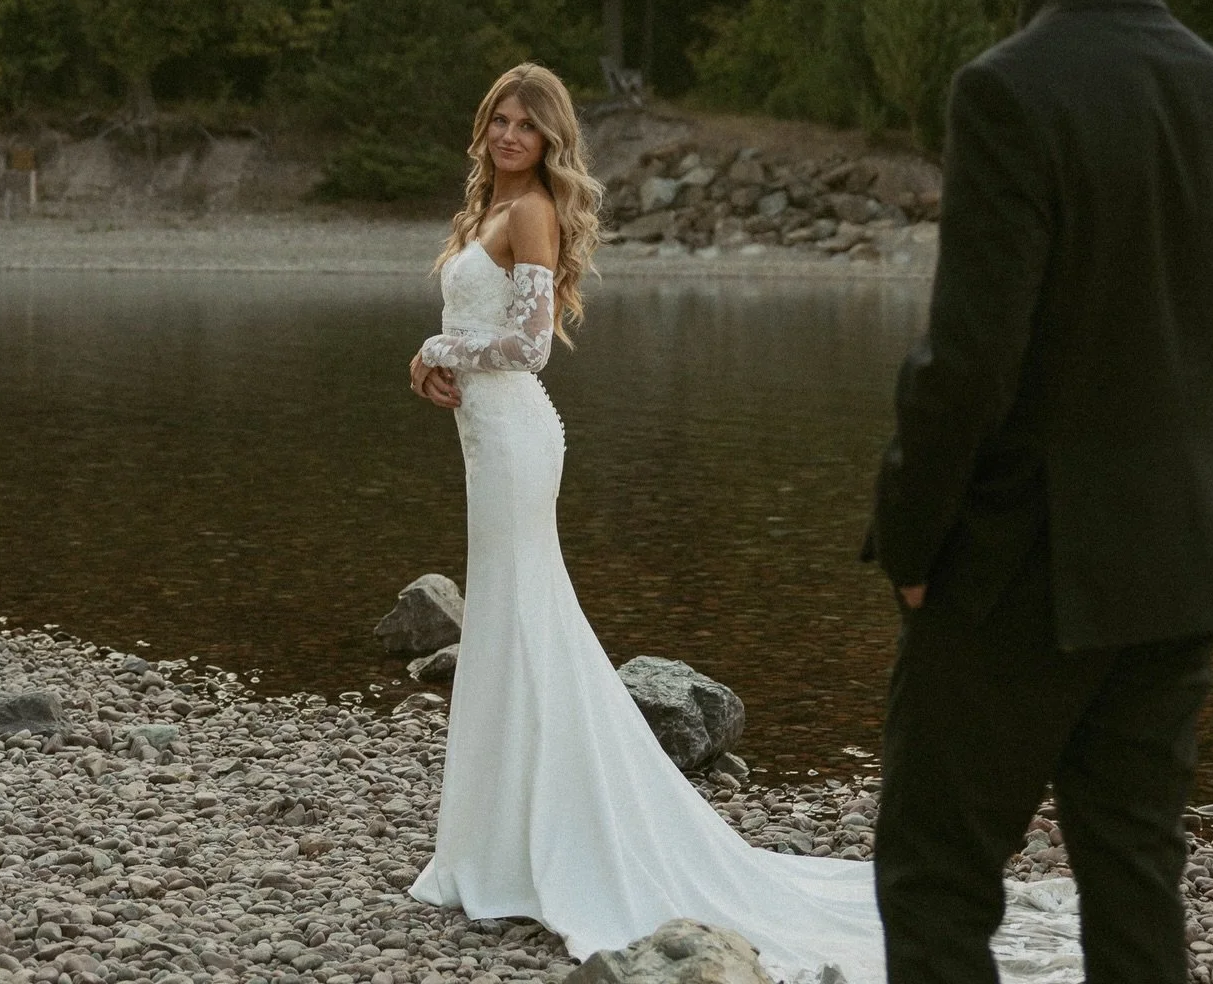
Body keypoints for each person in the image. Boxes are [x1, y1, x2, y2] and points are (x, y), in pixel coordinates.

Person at [404, 62, 1085, 982]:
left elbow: (527, 348)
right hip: (485, 435)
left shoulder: (530, 214)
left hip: (518, 440)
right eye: (499, 120)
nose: (510, 135)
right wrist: (432, 362)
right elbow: (482, 335)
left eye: (527, 124)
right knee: (507, 622)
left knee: (523, 618)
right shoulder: (487, 210)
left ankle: (536, 846)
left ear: (552, 138)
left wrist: (442, 347)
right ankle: (499, 842)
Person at [867, 0, 1213, 984]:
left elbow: (968, 363)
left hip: (1018, 571)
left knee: (938, 880)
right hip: (1180, 555)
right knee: (1137, 884)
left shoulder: (1010, 90)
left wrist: (912, 542)